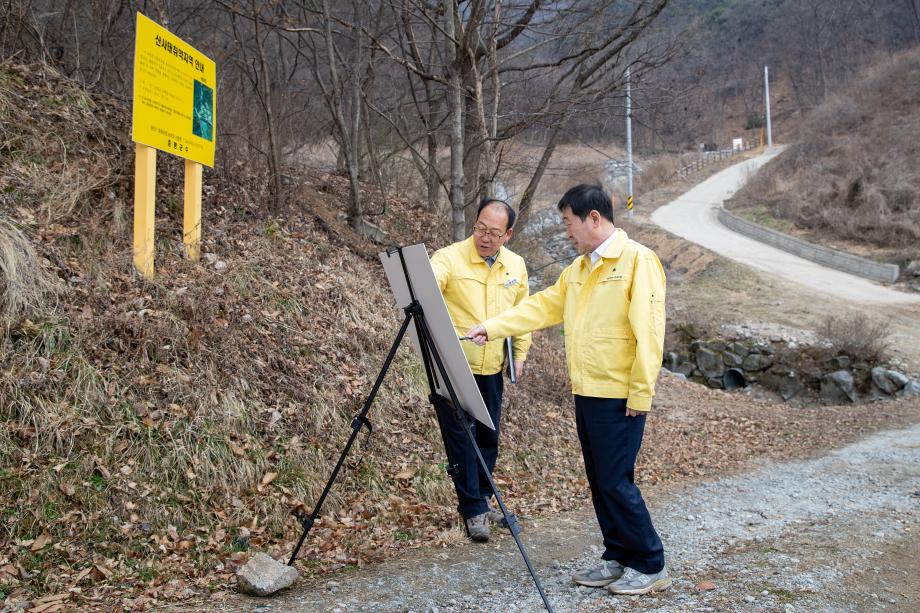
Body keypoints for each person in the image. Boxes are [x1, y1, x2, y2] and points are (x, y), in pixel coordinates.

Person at [466, 184, 670, 595]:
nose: (566, 232)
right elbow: (540, 307)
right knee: (599, 480)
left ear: (594, 218)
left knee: (616, 480)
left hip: (619, 395)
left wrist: (640, 392)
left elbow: (649, 332)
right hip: (587, 391)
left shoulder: (637, 261)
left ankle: (649, 562)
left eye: (568, 222)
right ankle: (617, 557)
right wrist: (494, 327)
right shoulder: (577, 270)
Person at [430, 198, 532, 542]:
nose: (484, 238)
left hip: (492, 366)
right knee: (461, 439)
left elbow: (524, 314)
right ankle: (473, 510)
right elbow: (429, 284)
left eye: (493, 233)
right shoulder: (449, 257)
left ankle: (483, 499)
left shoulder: (516, 266)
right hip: (454, 366)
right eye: (479, 229)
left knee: (488, 436)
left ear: (507, 235)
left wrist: (520, 352)